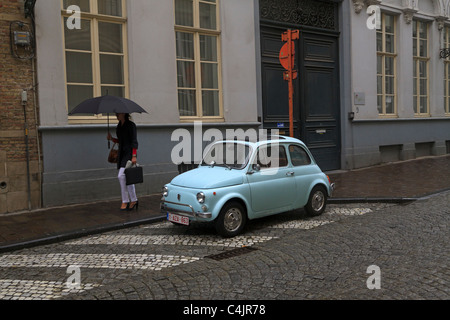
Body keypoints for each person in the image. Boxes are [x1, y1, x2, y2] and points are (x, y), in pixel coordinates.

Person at [107, 113, 139, 211]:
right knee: (126, 177)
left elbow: (134, 141)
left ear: (124, 114)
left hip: (129, 153)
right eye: (116, 113)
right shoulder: (119, 126)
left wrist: (134, 156)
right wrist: (112, 139)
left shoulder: (131, 125)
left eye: (118, 113)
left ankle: (125, 201)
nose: (116, 115)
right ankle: (133, 200)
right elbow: (121, 141)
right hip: (121, 153)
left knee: (121, 176)